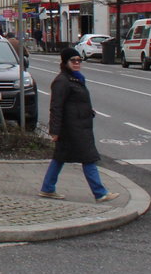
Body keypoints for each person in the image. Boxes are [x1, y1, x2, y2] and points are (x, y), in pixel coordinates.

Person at [40, 48, 119, 203]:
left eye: (79, 61)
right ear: (65, 62)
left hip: (78, 124)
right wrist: (54, 131)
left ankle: (47, 188)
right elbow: (56, 107)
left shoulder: (75, 78)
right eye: (73, 61)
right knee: (88, 158)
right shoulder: (62, 81)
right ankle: (100, 192)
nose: (77, 64)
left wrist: (87, 110)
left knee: (60, 157)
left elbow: (75, 102)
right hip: (72, 128)